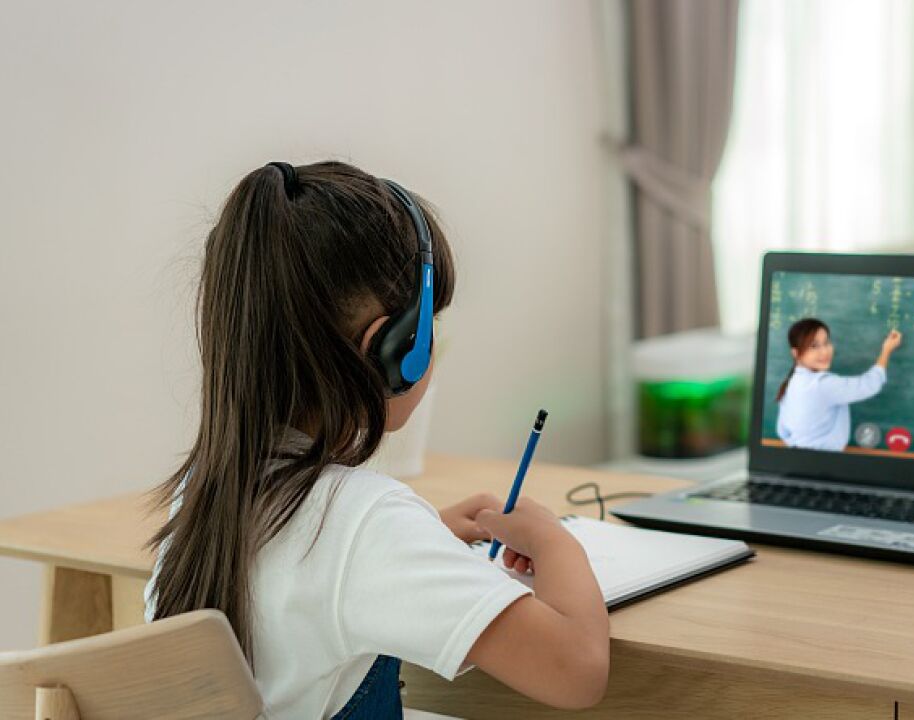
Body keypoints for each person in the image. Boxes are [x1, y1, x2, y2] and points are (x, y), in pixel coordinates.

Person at [145, 162, 608, 717]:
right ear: (393, 351)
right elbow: (576, 671)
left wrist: (422, 537)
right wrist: (557, 543)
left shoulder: (203, 490)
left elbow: (318, 575)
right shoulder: (366, 524)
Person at [776, 318, 902, 451]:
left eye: (826, 343)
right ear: (796, 353)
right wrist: (886, 350)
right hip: (821, 462)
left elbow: (783, 431)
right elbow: (870, 384)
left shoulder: (791, 382)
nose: (824, 351)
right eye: (814, 346)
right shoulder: (822, 384)